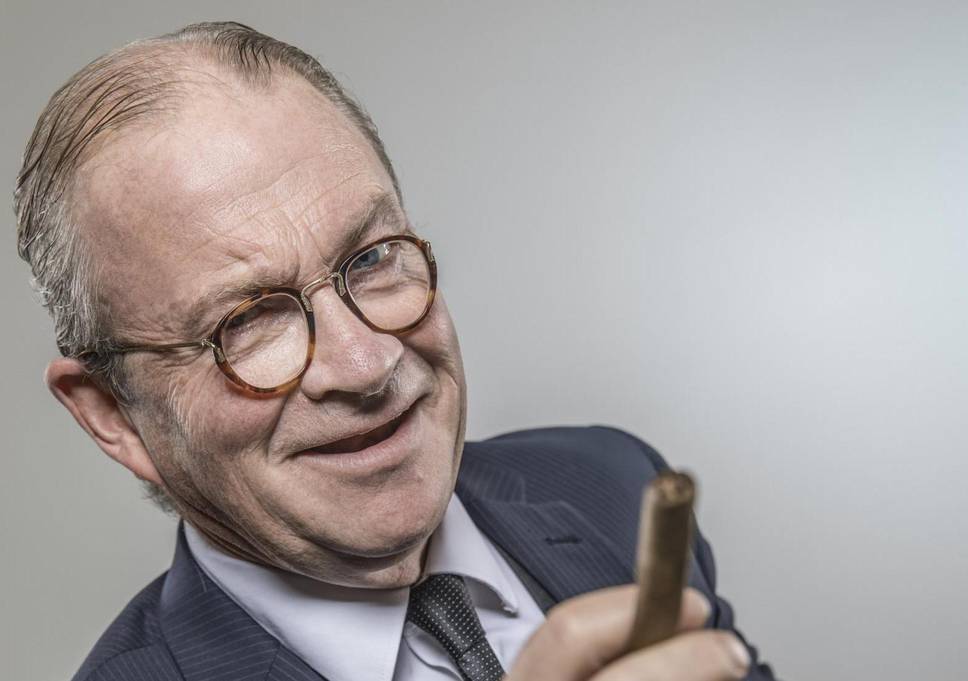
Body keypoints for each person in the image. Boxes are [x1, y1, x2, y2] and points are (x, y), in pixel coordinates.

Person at [15, 21, 777, 681]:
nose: (367, 364)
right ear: (114, 414)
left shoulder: (614, 484)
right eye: (248, 321)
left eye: (373, 257)